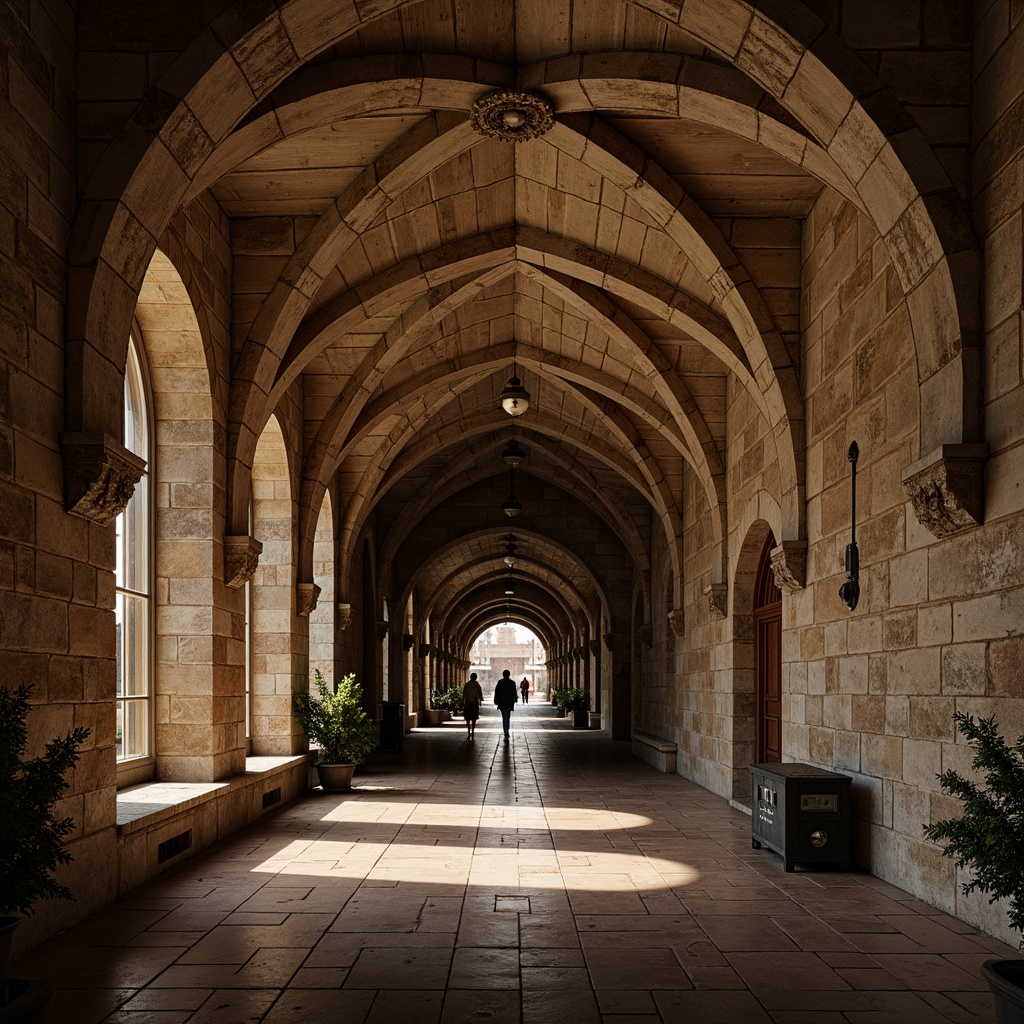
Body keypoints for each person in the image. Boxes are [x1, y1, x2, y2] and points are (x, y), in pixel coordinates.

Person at [493, 669, 518, 742]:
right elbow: (514, 692)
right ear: (509, 675)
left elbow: (496, 692)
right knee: (507, 717)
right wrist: (515, 699)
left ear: (503, 675)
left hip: (502, 703)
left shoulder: (500, 682)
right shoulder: (512, 683)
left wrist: (496, 700)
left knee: (504, 717)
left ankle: (505, 731)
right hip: (509, 703)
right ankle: (507, 730)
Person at [463, 672, 483, 739]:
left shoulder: (467, 684)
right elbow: (480, 694)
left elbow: (464, 694)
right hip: (474, 703)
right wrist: (480, 699)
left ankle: (468, 732)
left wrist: (462, 701)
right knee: (474, 718)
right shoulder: (477, 684)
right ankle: (473, 731)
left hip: (468, 704)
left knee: (468, 718)